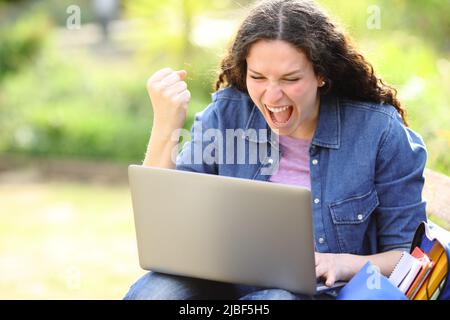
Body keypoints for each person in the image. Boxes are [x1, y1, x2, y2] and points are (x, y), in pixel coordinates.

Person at [124, 0, 427, 300]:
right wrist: (166, 124)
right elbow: (165, 220)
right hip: (221, 284)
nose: (271, 95)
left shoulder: (377, 131)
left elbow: (410, 258)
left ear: (322, 74)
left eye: (290, 79)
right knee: (155, 293)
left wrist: (341, 263)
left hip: (316, 293)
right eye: (257, 77)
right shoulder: (228, 114)